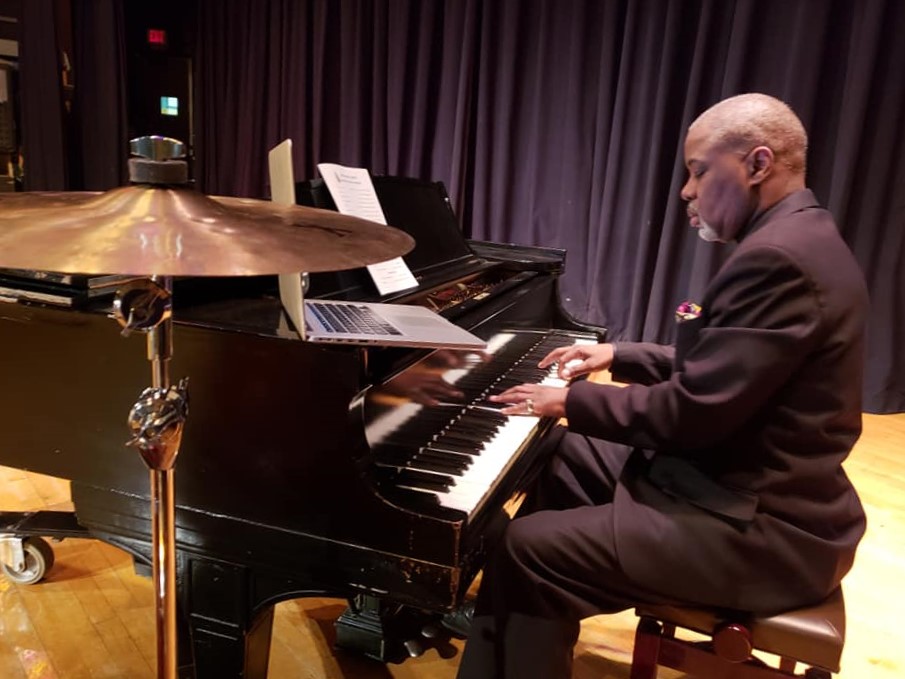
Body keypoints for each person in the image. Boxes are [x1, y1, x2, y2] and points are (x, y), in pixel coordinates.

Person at [455, 93, 868, 678]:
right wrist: (619, 354)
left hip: (763, 529)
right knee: (564, 454)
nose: (686, 192)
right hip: (747, 487)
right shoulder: (802, 235)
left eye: (699, 171)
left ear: (757, 164)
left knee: (529, 550)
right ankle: (522, 627)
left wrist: (568, 399)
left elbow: (691, 415)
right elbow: (730, 364)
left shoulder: (778, 258)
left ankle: (523, 600)